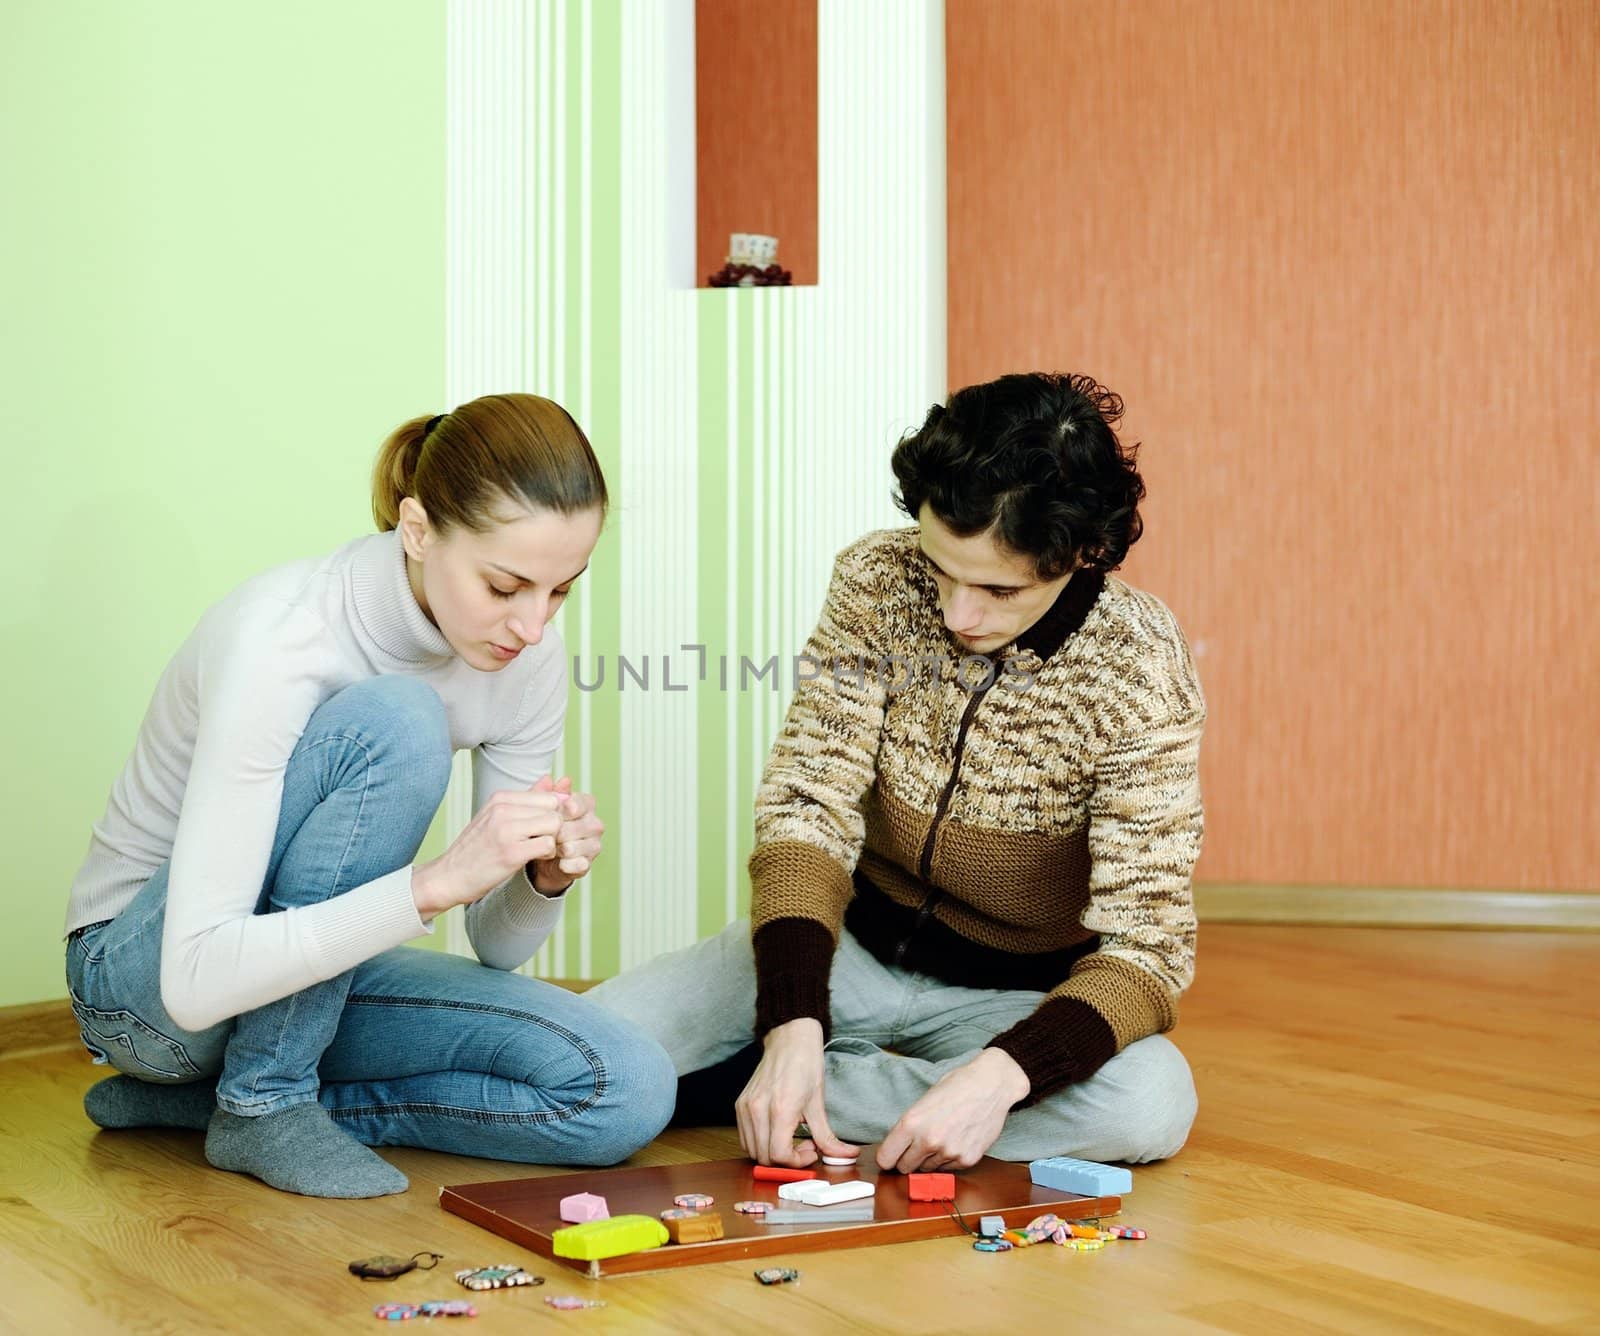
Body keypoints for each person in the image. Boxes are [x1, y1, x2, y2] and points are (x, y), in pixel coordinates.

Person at [63, 393, 675, 1198]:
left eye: (560, 592)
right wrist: (431, 887)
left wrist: (538, 879)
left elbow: (497, 946)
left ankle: (230, 1106)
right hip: (148, 993)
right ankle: (262, 1100)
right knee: (398, 718)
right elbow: (196, 977)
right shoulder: (283, 639)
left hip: (299, 980)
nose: (532, 626)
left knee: (623, 1087)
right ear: (418, 532)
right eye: (505, 585)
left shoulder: (527, 662)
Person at [589, 372, 1203, 1174]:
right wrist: (796, 1016)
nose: (957, 614)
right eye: (940, 569)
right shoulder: (876, 582)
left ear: (1081, 554)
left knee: (1149, 1104)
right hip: (844, 948)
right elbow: (809, 803)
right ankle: (806, 1067)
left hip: (1012, 1003)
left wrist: (997, 1079)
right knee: (576, 1047)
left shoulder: (1141, 664)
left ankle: (777, 1088)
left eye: (996, 588)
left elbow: (1150, 946)